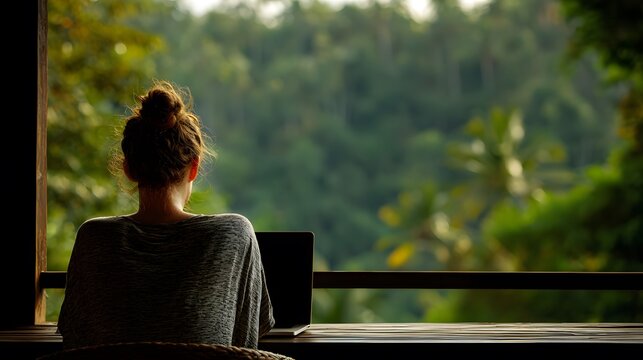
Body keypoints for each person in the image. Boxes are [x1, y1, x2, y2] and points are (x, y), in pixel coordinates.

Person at [57, 80, 274, 350]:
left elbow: (76, 344)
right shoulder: (233, 234)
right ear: (194, 168)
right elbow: (243, 345)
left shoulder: (93, 237)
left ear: (128, 169)